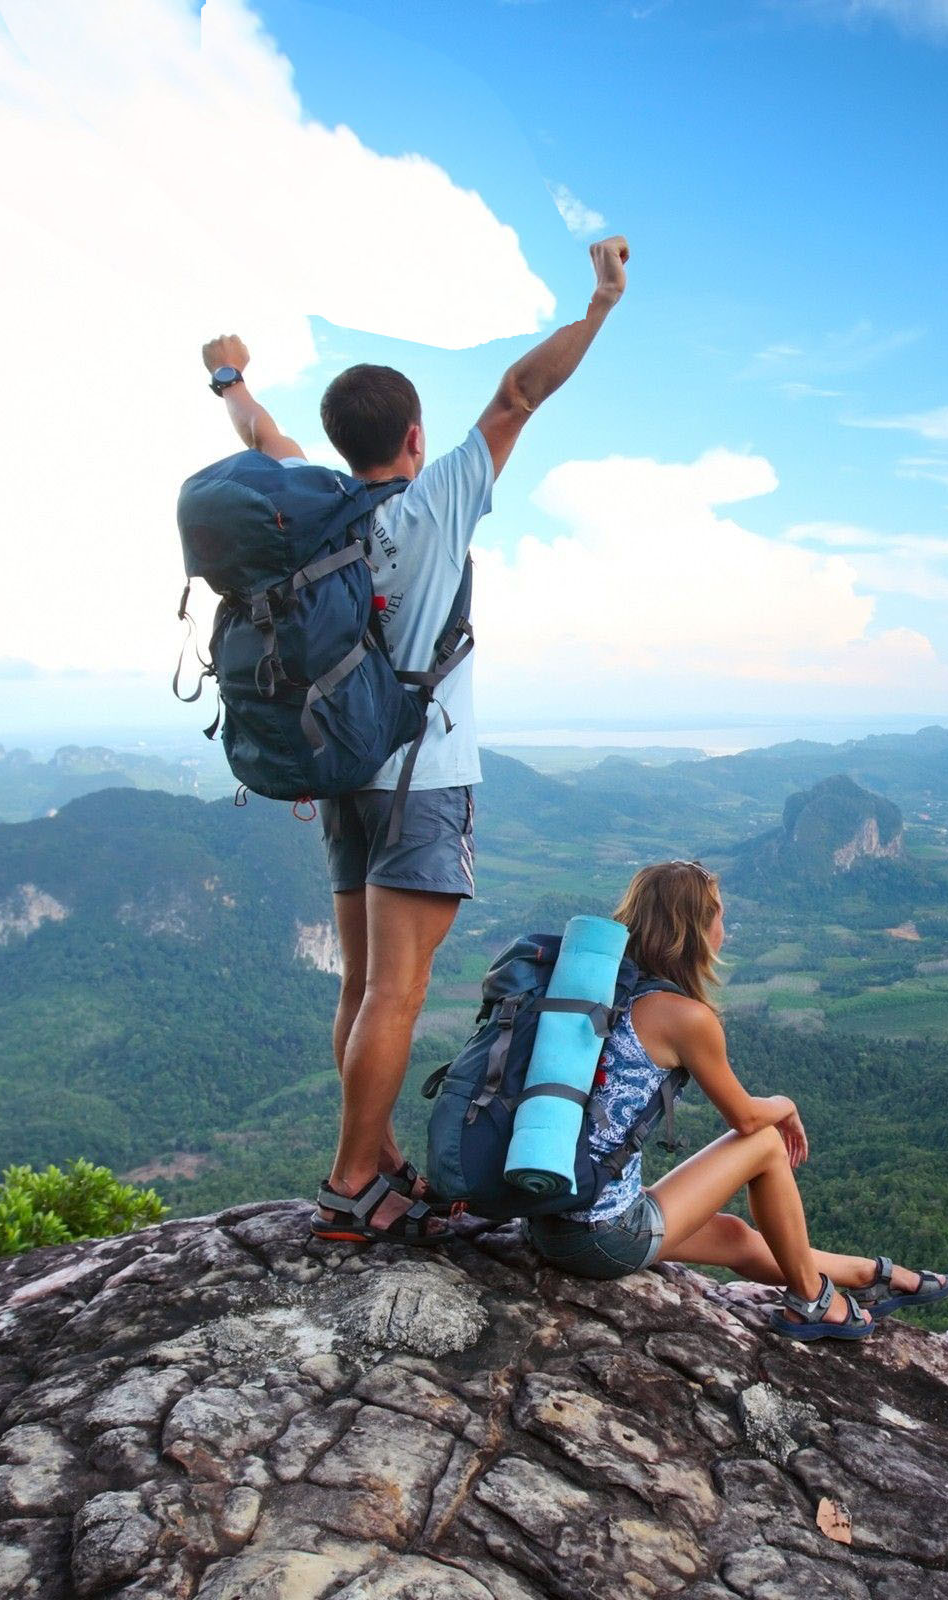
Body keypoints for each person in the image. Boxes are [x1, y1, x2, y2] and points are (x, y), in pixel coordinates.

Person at [199, 236, 633, 1245]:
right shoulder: (435, 500)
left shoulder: (318, 513)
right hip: (420, 780)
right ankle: (353, 1184)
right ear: (414, 433)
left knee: (360, 985)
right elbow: (521, 391)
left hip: (342, 772)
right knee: (398, 988)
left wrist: (229, 377)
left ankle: (376, 1153)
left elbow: (261, 437)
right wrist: (600, 305)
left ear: (341, 440)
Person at [529, 860, 948, 1339]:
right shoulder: (682, 1016)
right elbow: (746, 1117)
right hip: (600, 1237)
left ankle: (871, 1275)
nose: (725, 933)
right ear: (693, 929)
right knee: (766, 1144)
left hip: (547, 1216)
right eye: (720, 918)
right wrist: (785, 1103)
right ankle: (812, 1300)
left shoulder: (595, 991)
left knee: (735, 1235)